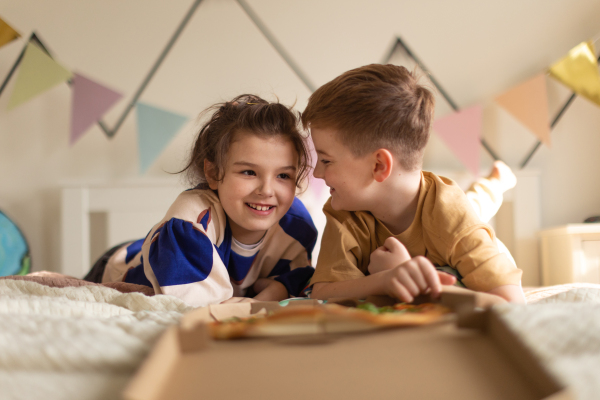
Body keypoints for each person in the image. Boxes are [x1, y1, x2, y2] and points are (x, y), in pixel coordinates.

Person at [302, 64, 525, 304]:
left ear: (378, 166)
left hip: (452, 215)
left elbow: (510, 303)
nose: (316, 173)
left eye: (325, 160)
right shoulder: (345, 209)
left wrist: (411, 277)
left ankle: (496, 182)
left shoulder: (451, 214)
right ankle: (494, 182)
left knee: (473, 206)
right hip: (438, 218)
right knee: (474, 203)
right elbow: (324, 292)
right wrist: (386, 280)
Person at [85, 94, 318, 307]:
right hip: (120, 268)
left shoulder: (296, 226)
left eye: (283, 176)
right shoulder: (191, 221)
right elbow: (200, 308)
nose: (267, 190)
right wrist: (267, 298)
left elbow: (300, 283)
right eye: (248, 172)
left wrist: (278, 289)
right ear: (214, 173)